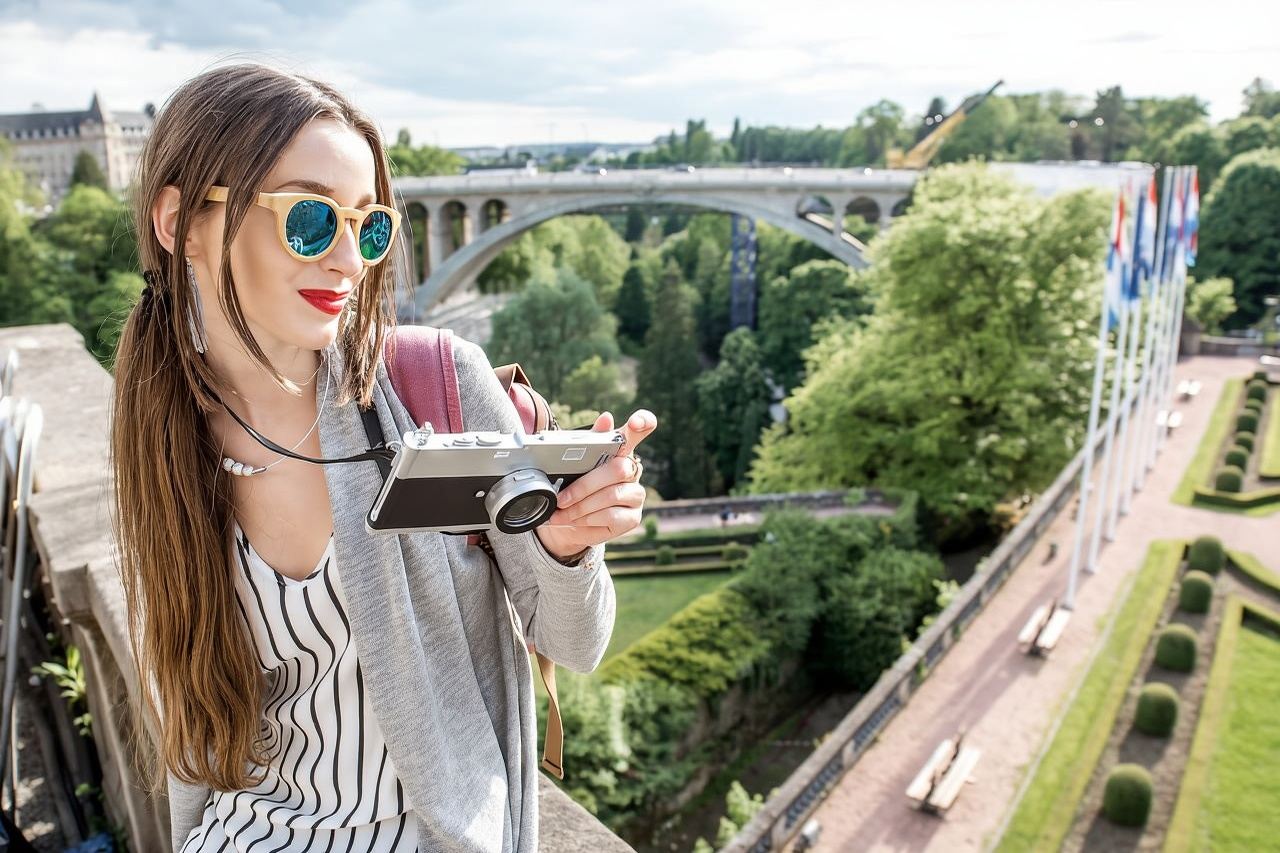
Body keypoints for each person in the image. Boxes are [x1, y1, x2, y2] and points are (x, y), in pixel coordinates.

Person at [108, 62, 657, 853]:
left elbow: (576, 643)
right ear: (182, 223)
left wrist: (568, 548)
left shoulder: (433, 388)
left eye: (368, 226)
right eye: (309, 218)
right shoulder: (161, 437)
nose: (347, 261)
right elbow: (193, 719)